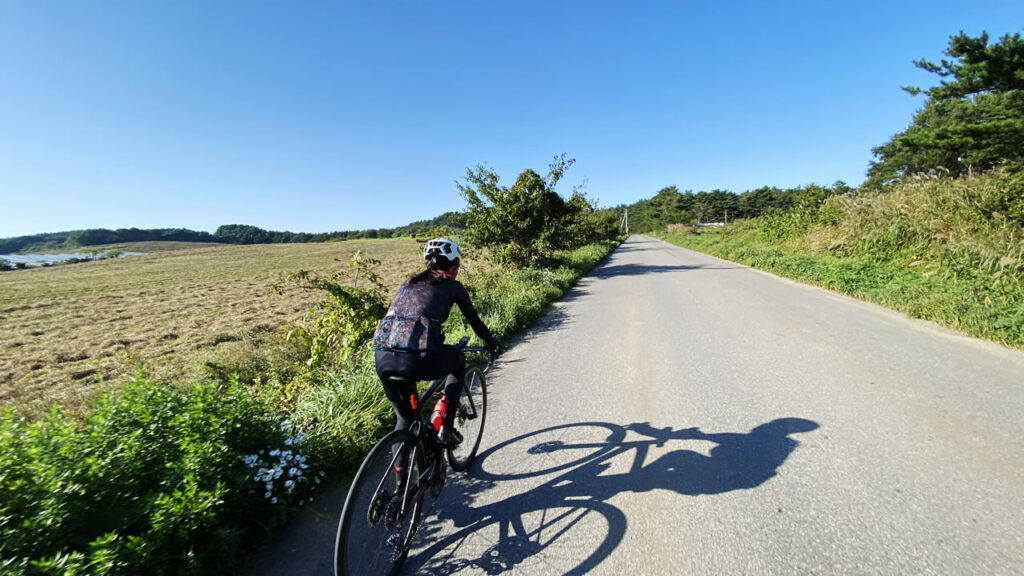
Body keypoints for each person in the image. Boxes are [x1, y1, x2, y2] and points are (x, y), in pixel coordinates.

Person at [373, 238, 500, 447]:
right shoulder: (452, 286)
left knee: (405, 420)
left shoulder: (408, 282)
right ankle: (447, 429)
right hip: (418, 358)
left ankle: (401, 479)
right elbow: (474, 320)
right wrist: (492, 342)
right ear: (453, 267)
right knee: (458, 360)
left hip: (383, 357)